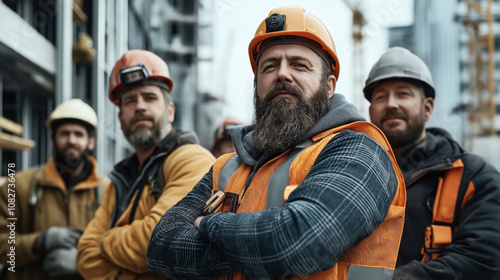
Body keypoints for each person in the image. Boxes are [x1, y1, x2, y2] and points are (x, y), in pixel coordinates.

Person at [147, 6, 406, 280]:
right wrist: (257, 249)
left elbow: (304, 242)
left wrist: (207, 224)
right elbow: (160, 245)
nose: (282, 74)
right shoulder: (226, 167)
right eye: (270, 66)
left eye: (299, 64)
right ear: (257, 83)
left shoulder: (361, 151)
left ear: (329, 86)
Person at [76, 49, 215, 279]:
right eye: (130, 100)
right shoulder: (121, 179)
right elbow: (84, 256)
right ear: (120, 118)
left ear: (170, 111)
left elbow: (157, 240)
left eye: (150, 98)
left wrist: (106, 240)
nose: (140, 106)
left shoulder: (192, 160)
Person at [364, 46, 500, 279]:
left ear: (427, 109)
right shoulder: (355, 175)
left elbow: (483, 260)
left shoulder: (475, 177)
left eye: (403, 94)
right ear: (370, 111)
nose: (391, 104)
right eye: (381, 97)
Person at [0, 98, 108, 280]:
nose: (71, 140)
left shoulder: (108, 191)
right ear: (52, 141)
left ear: (91, 142)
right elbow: (2, 247)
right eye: (64, 133)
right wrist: (40, 242)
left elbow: (122, 250)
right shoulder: (17, 185)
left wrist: (84, 262)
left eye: (79, 134)